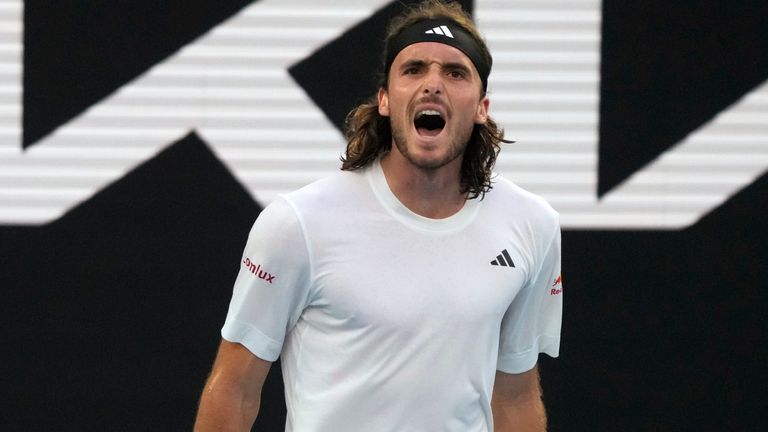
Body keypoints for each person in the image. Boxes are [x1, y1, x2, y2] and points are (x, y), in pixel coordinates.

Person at [194, 1, 563, 430]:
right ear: (385, 100)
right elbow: (235, 389)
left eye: (455, 72)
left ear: (482, 107)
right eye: (414, 69)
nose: (433, 85)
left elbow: (515, 395)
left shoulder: (532, 224)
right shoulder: (297, 224)